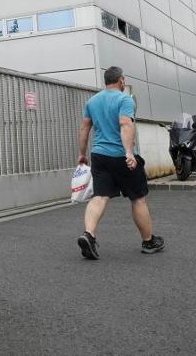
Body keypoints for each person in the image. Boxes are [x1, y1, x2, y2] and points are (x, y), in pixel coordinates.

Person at [75, 66, 164, 260]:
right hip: (121, 156)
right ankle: (149, 241)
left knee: (99, 196)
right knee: (137, 198)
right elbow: (125, 124)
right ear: (121, 80)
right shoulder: (125, 99)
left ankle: (88, 234)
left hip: (99, 155)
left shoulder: (92, 101)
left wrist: (82, 154)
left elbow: (84, 128)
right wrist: (129, 153)